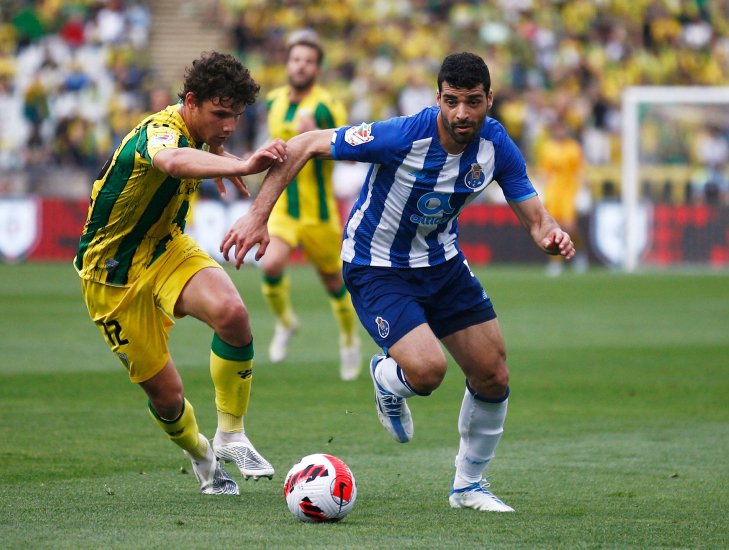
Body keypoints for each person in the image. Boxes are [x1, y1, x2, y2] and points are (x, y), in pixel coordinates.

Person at [222, 52, 575, 511]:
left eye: (472, 102)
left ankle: (468, 486)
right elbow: (306, 143)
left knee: (493, 373)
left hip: (442, 263)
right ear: (438, 99)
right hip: (376, 264)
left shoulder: (497, 146)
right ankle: (388, 378)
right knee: (428, 373)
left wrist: (549, 236)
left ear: (489, 99)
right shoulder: (403, 135)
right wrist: (258, 216)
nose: (462, 113)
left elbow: (536, 218)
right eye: (452, 101)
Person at [74, 51, 287, 495]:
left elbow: (198, 147)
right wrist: (240, 163)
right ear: (190, 101)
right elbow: (170, 162)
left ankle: (232, 436)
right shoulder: (159, 130)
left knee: (233, 314)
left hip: (166, 247)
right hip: (111, 276)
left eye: (236, 116)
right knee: (168, 398)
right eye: (220, 115)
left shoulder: (200, 132)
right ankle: (203, 457)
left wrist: (216, 149)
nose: (229, 125)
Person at [260, 30, 360, 380]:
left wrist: (318, 134)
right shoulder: (272, 100)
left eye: (308, 61)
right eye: (296, 59)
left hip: (319, 213)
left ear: (317, 69)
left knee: (334, 283)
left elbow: (350, 155)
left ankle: (349, 341)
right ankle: (286, 322)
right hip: (284, 207)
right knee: (270, 263)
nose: (300, 66)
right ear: (288, 63)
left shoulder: (327, 106)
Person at [538, 119, 588, 276]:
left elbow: (580, 170)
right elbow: (543, 171)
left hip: (569, 190)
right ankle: (556, 261)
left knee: (569, 227)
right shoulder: (548, 148)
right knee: (553, 227)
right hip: (553, 191)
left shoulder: (573, 147)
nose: (560, 132)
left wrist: (584, 190)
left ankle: (579, 253)